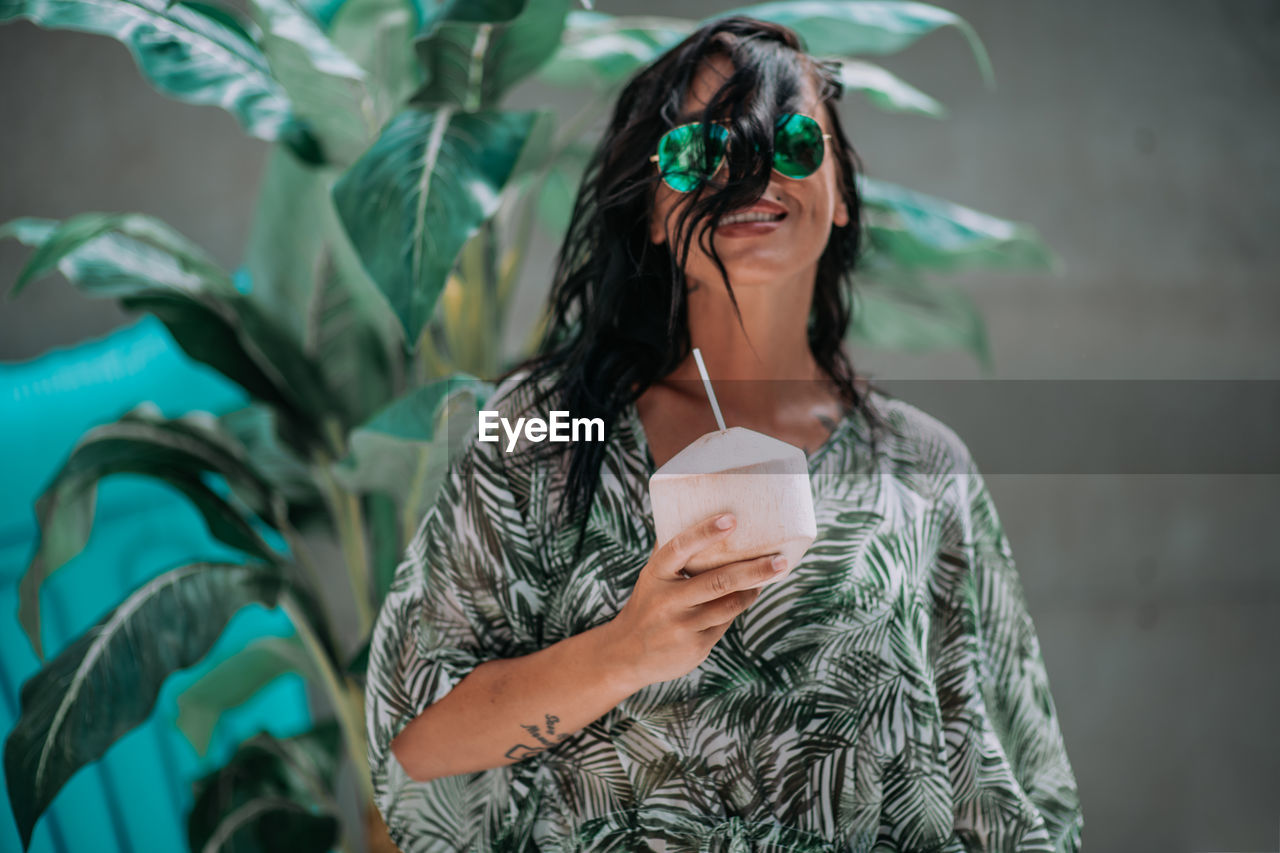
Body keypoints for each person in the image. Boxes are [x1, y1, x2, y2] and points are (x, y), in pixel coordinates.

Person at [364, 16, 1083, 853]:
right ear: (660, 216)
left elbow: (1019, 793)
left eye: (792, 143)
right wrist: (627, 650)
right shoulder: (552, 430)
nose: (748, 172)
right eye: (698, 154)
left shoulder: (921, 466)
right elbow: (417, 742)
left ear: (842, 194)